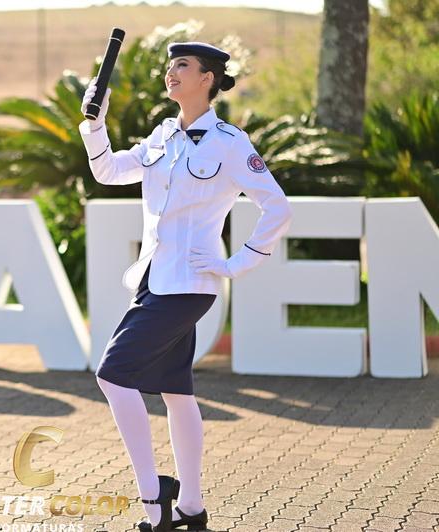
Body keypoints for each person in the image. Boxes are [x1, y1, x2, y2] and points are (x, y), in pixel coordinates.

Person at [79, 41, 293, 531]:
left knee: (113, 375)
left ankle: (153, 497)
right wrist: (95, 125)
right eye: (169, 65)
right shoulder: (162, 136)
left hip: (190, 284)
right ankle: (191, 509)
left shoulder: (230, 142)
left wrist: (237, 263)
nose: (170, 72)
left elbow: (277, 207)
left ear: (207, 79)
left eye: (182, 65)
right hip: (153, 279)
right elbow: (108, 171)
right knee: (177, 393)